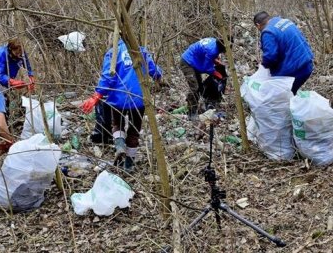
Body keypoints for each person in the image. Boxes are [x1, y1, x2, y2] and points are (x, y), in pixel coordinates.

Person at [80, 38, 162, 173]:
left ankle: (119, 145)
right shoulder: (140, 51)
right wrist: (159, 77)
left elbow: (108, 76)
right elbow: (153, 70)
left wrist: (97, 95)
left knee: (116, 124)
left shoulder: (112, 53)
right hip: (138, 98)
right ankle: (129, 164)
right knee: (134, 130)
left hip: (118, 97)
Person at [253, 11, 314, 95]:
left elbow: (270, 57)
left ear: (258, 25)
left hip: (296, 70)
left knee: (281, 98)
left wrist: (263, 67)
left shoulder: (268, 32)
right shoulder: (283, 21)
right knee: (289, 95)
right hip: (307, 63)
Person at [179, 37, 227, 121]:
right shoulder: (212, 50)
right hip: (187, 62)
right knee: (194, 87)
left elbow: (204, 55)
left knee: (200, 87)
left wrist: (215, 61)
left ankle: (198, 105)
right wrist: (215, 73)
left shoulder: (214, 42)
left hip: (195, 62)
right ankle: (191, 112)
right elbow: (205, 68)